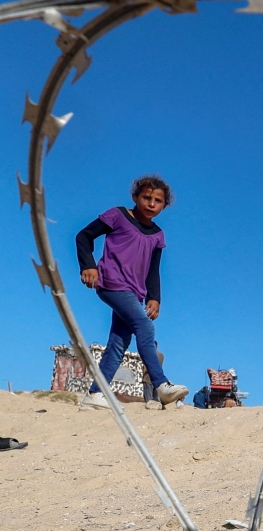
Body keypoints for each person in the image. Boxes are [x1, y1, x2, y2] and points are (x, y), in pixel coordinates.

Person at [76, 175, 188, 411]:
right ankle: (161, 385)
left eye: (158, 201)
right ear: (135, 197)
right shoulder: (118, 215)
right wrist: (88, 265)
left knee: (118, 343)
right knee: (144, 326)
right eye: (146, 197)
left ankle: (96, 394)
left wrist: (154, 298)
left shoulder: (157, 235)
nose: (151, 204)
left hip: (135, 293)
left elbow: (153, 269)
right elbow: (83, 236)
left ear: (164, 205)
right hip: (111, 282)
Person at [141, 343, 167, 410]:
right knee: (156, 398)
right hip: (156, 378)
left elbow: (145, 367)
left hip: (148, 378)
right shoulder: (161, 355)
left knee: (148, 398)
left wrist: (143, 375)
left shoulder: (149, 354)